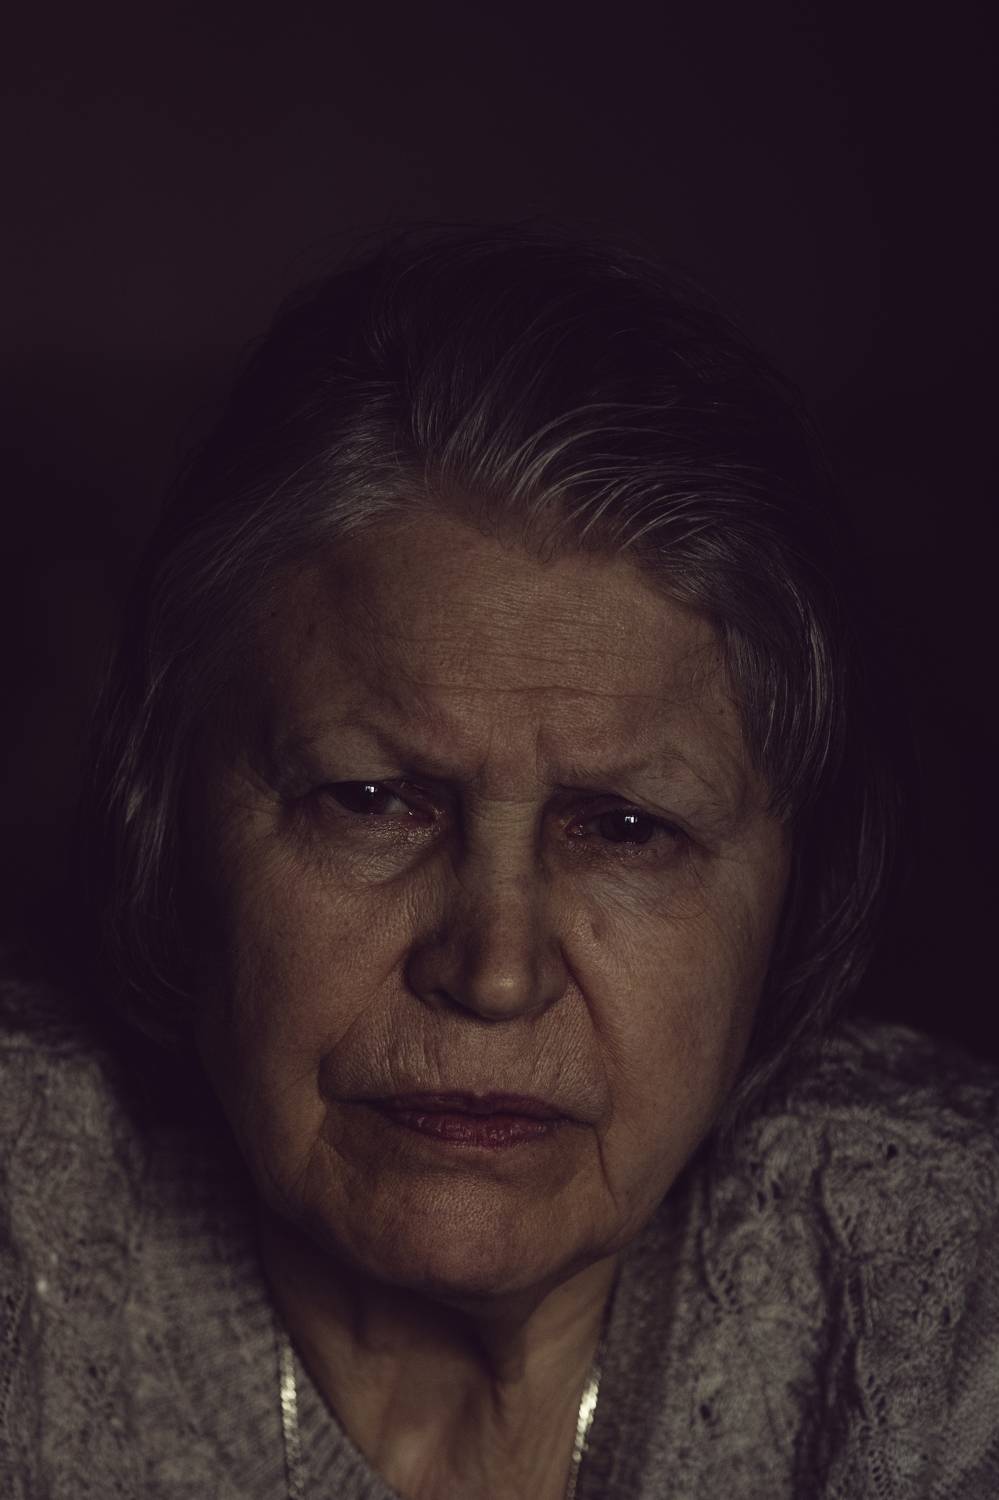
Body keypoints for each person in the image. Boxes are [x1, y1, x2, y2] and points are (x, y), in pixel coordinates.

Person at [2, 225, 997, 1499]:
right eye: (371, 802)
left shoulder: (951, 1290)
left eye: (627, 828)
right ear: (168, 834)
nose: (495, 972)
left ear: (793, 896)